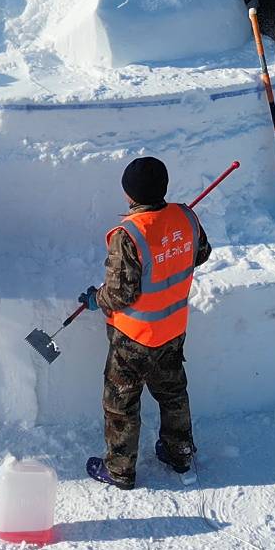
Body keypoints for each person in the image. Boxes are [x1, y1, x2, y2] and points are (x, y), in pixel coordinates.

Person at [81, 156, 210, 490]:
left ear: (129, 195)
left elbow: (121, 292)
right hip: (172, 330)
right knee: (172, 393)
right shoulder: (186, 216)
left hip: (133, 338)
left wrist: (97, 299)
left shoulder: (129, 235)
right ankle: (179, 452)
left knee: (121, 403)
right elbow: (201, 253)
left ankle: (120, 470)